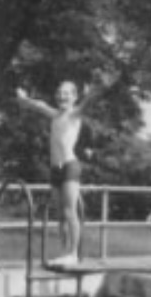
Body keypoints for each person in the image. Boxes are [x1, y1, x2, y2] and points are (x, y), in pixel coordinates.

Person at [15, 79, 108, 266]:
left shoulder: (74, 114)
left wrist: (98, 89)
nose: (62, 96)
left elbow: (88, 102)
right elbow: (39, 105)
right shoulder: (55, 115)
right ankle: (65, 252)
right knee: (60, 214)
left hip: (69, 166)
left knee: (69, 211)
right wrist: (24, 99)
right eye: (59, 92)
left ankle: (73, 253)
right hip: (55, 168)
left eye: (66, 93)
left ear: (74, 97)